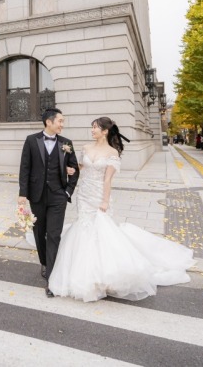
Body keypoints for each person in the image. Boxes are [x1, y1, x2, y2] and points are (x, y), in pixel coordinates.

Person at [48, 117, 195, 302]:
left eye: (95, 128)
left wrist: (105, 201)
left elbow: (108, 179)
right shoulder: (85, 148)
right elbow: (81, 167)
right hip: (84, 195)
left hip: (99, 194)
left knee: (101, 231)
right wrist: (71, 170)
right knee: (84, 228)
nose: (92, 130)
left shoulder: (112, 153)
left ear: (105, 131)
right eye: (92, 127)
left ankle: (103, 275)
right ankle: (85, 272)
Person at [18, 107, 80, 298]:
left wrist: (68, 191)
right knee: (39, 232)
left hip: (58, 196)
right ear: (49, 122)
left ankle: (52, 279)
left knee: (54, 235)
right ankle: (44, 262)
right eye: (60, 121)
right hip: (37, 196)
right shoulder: (31, 140)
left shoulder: (66, 143)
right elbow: (25, 168)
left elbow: (74, 169)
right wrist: (22, 194)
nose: (62, 124)